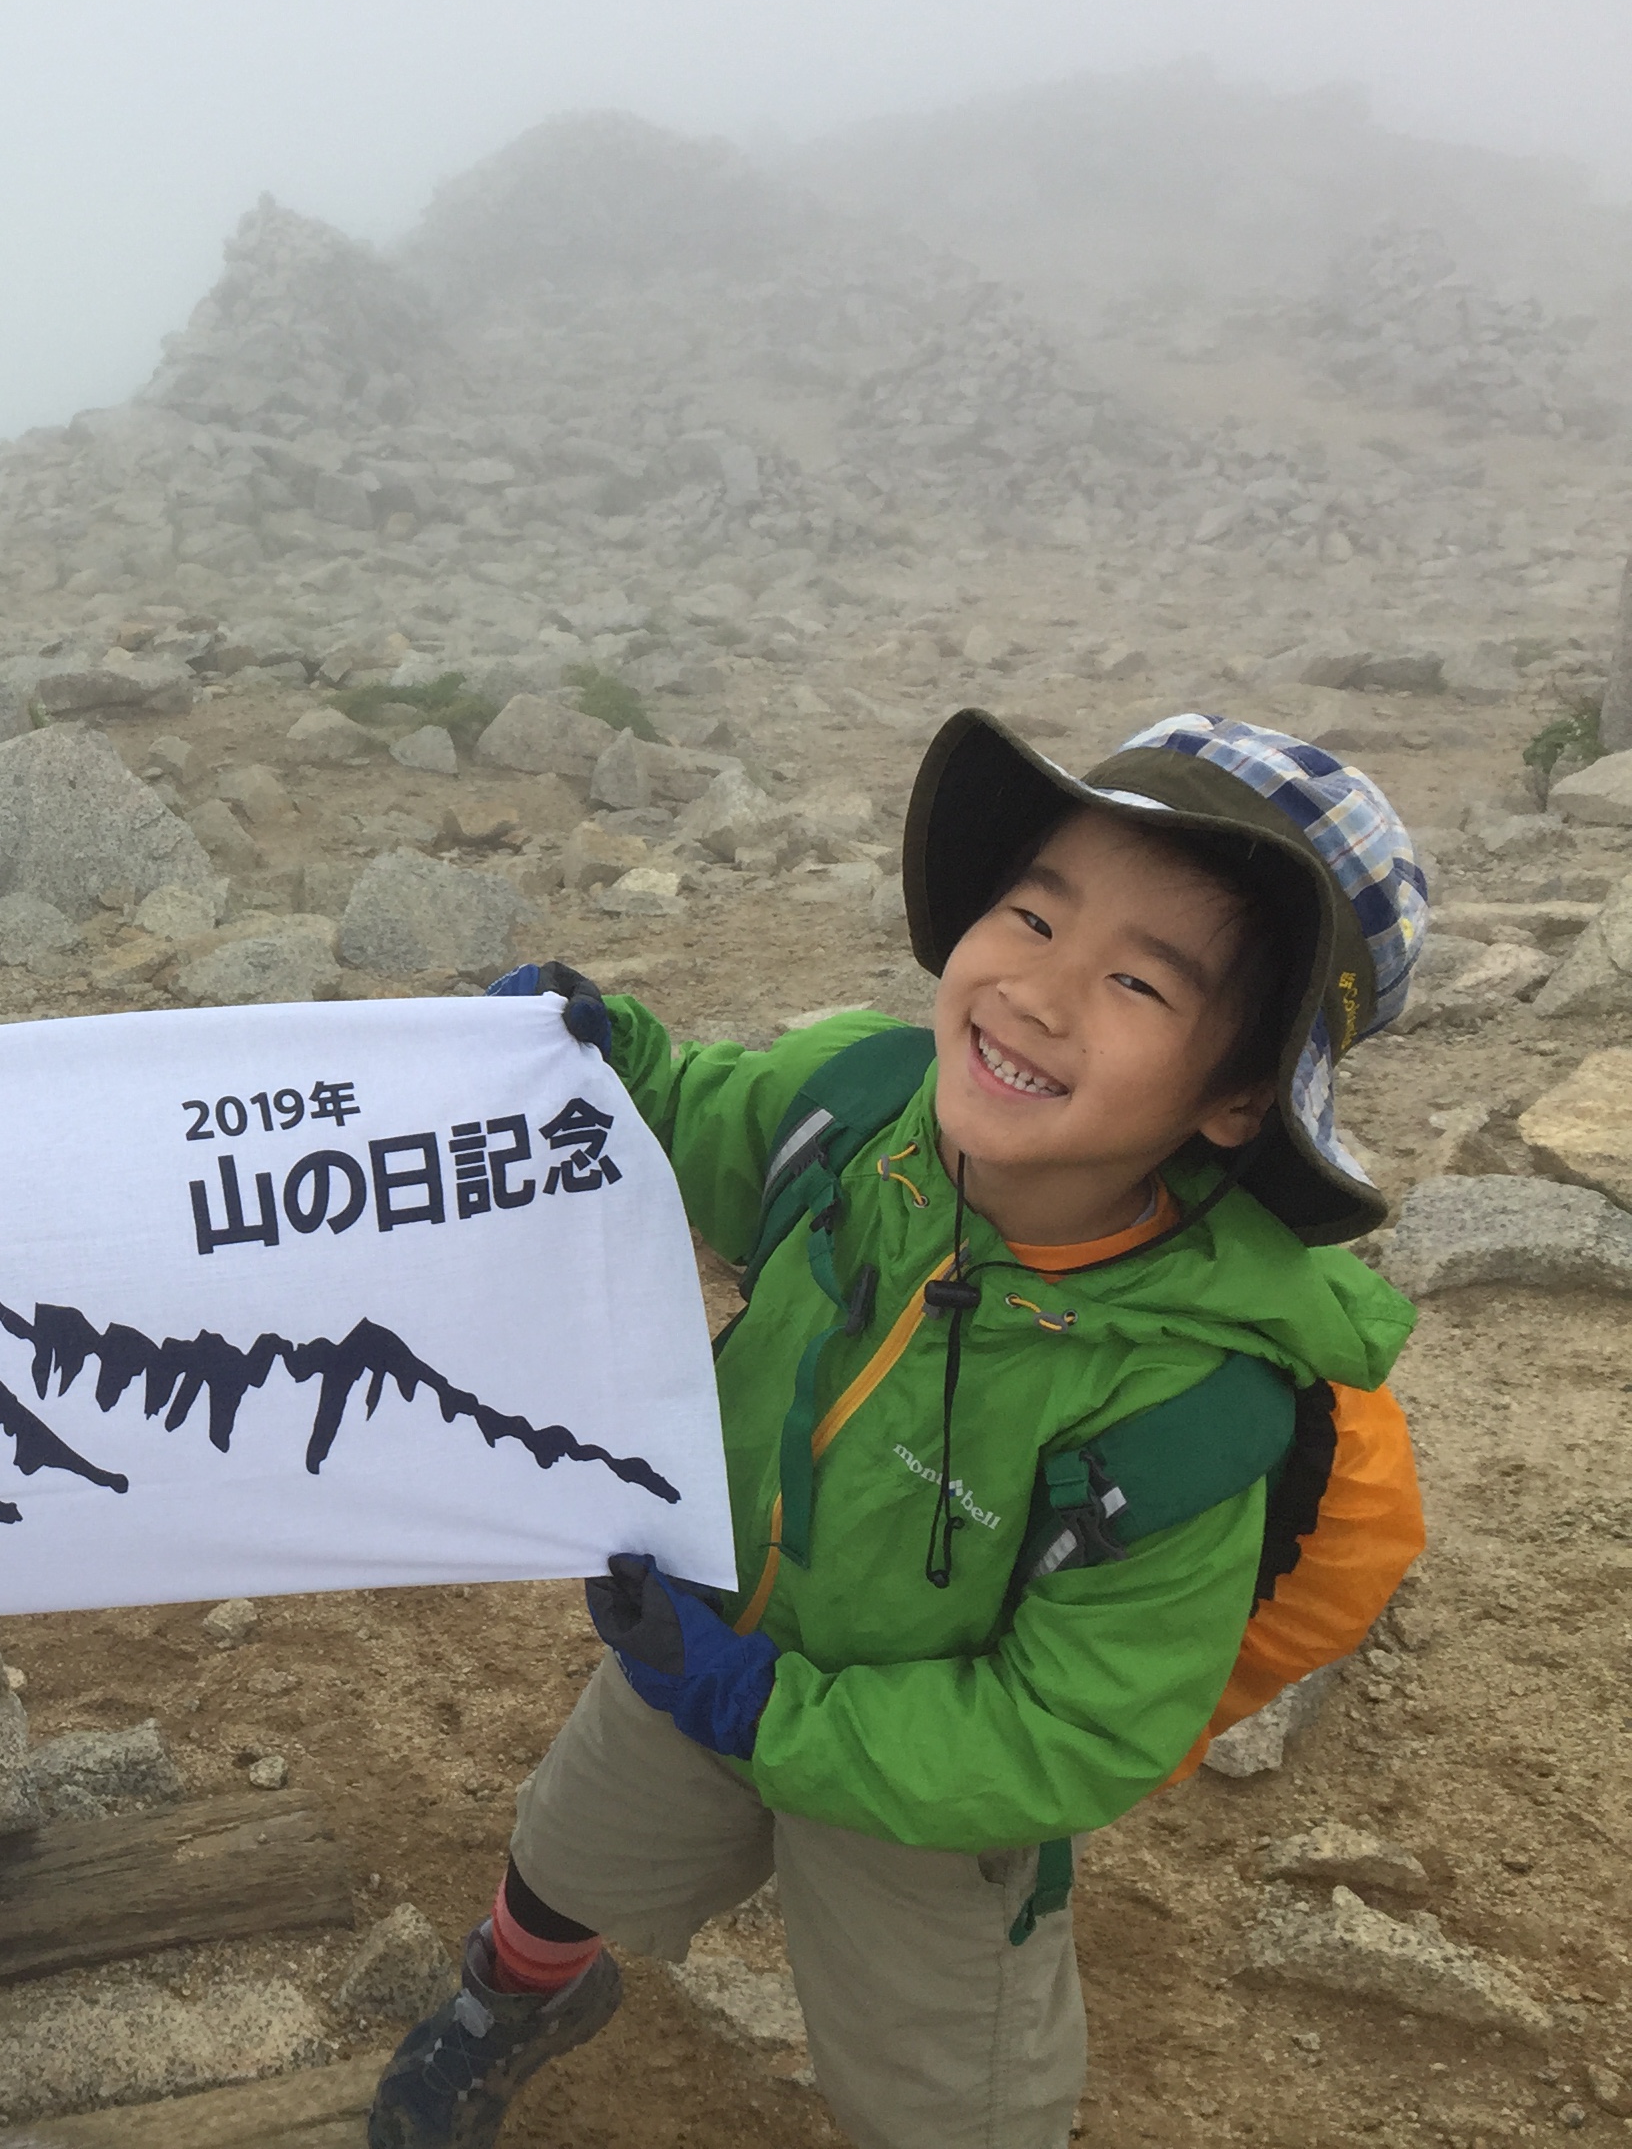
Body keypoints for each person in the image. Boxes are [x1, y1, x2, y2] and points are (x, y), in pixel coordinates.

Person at [368, 708, 1424, 2149]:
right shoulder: (862, 1107)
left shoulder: (1188, 1398)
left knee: (944, 2094)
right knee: (570, 1850)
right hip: (706, 1631)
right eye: (1033, 915)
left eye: (1135, 979)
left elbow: (1071, 1731)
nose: (1037, 992)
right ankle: (518, 1997)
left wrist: (770, 1712)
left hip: (933, 1786)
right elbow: (699, 1118)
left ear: (1242, 1097)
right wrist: (599, 1063)